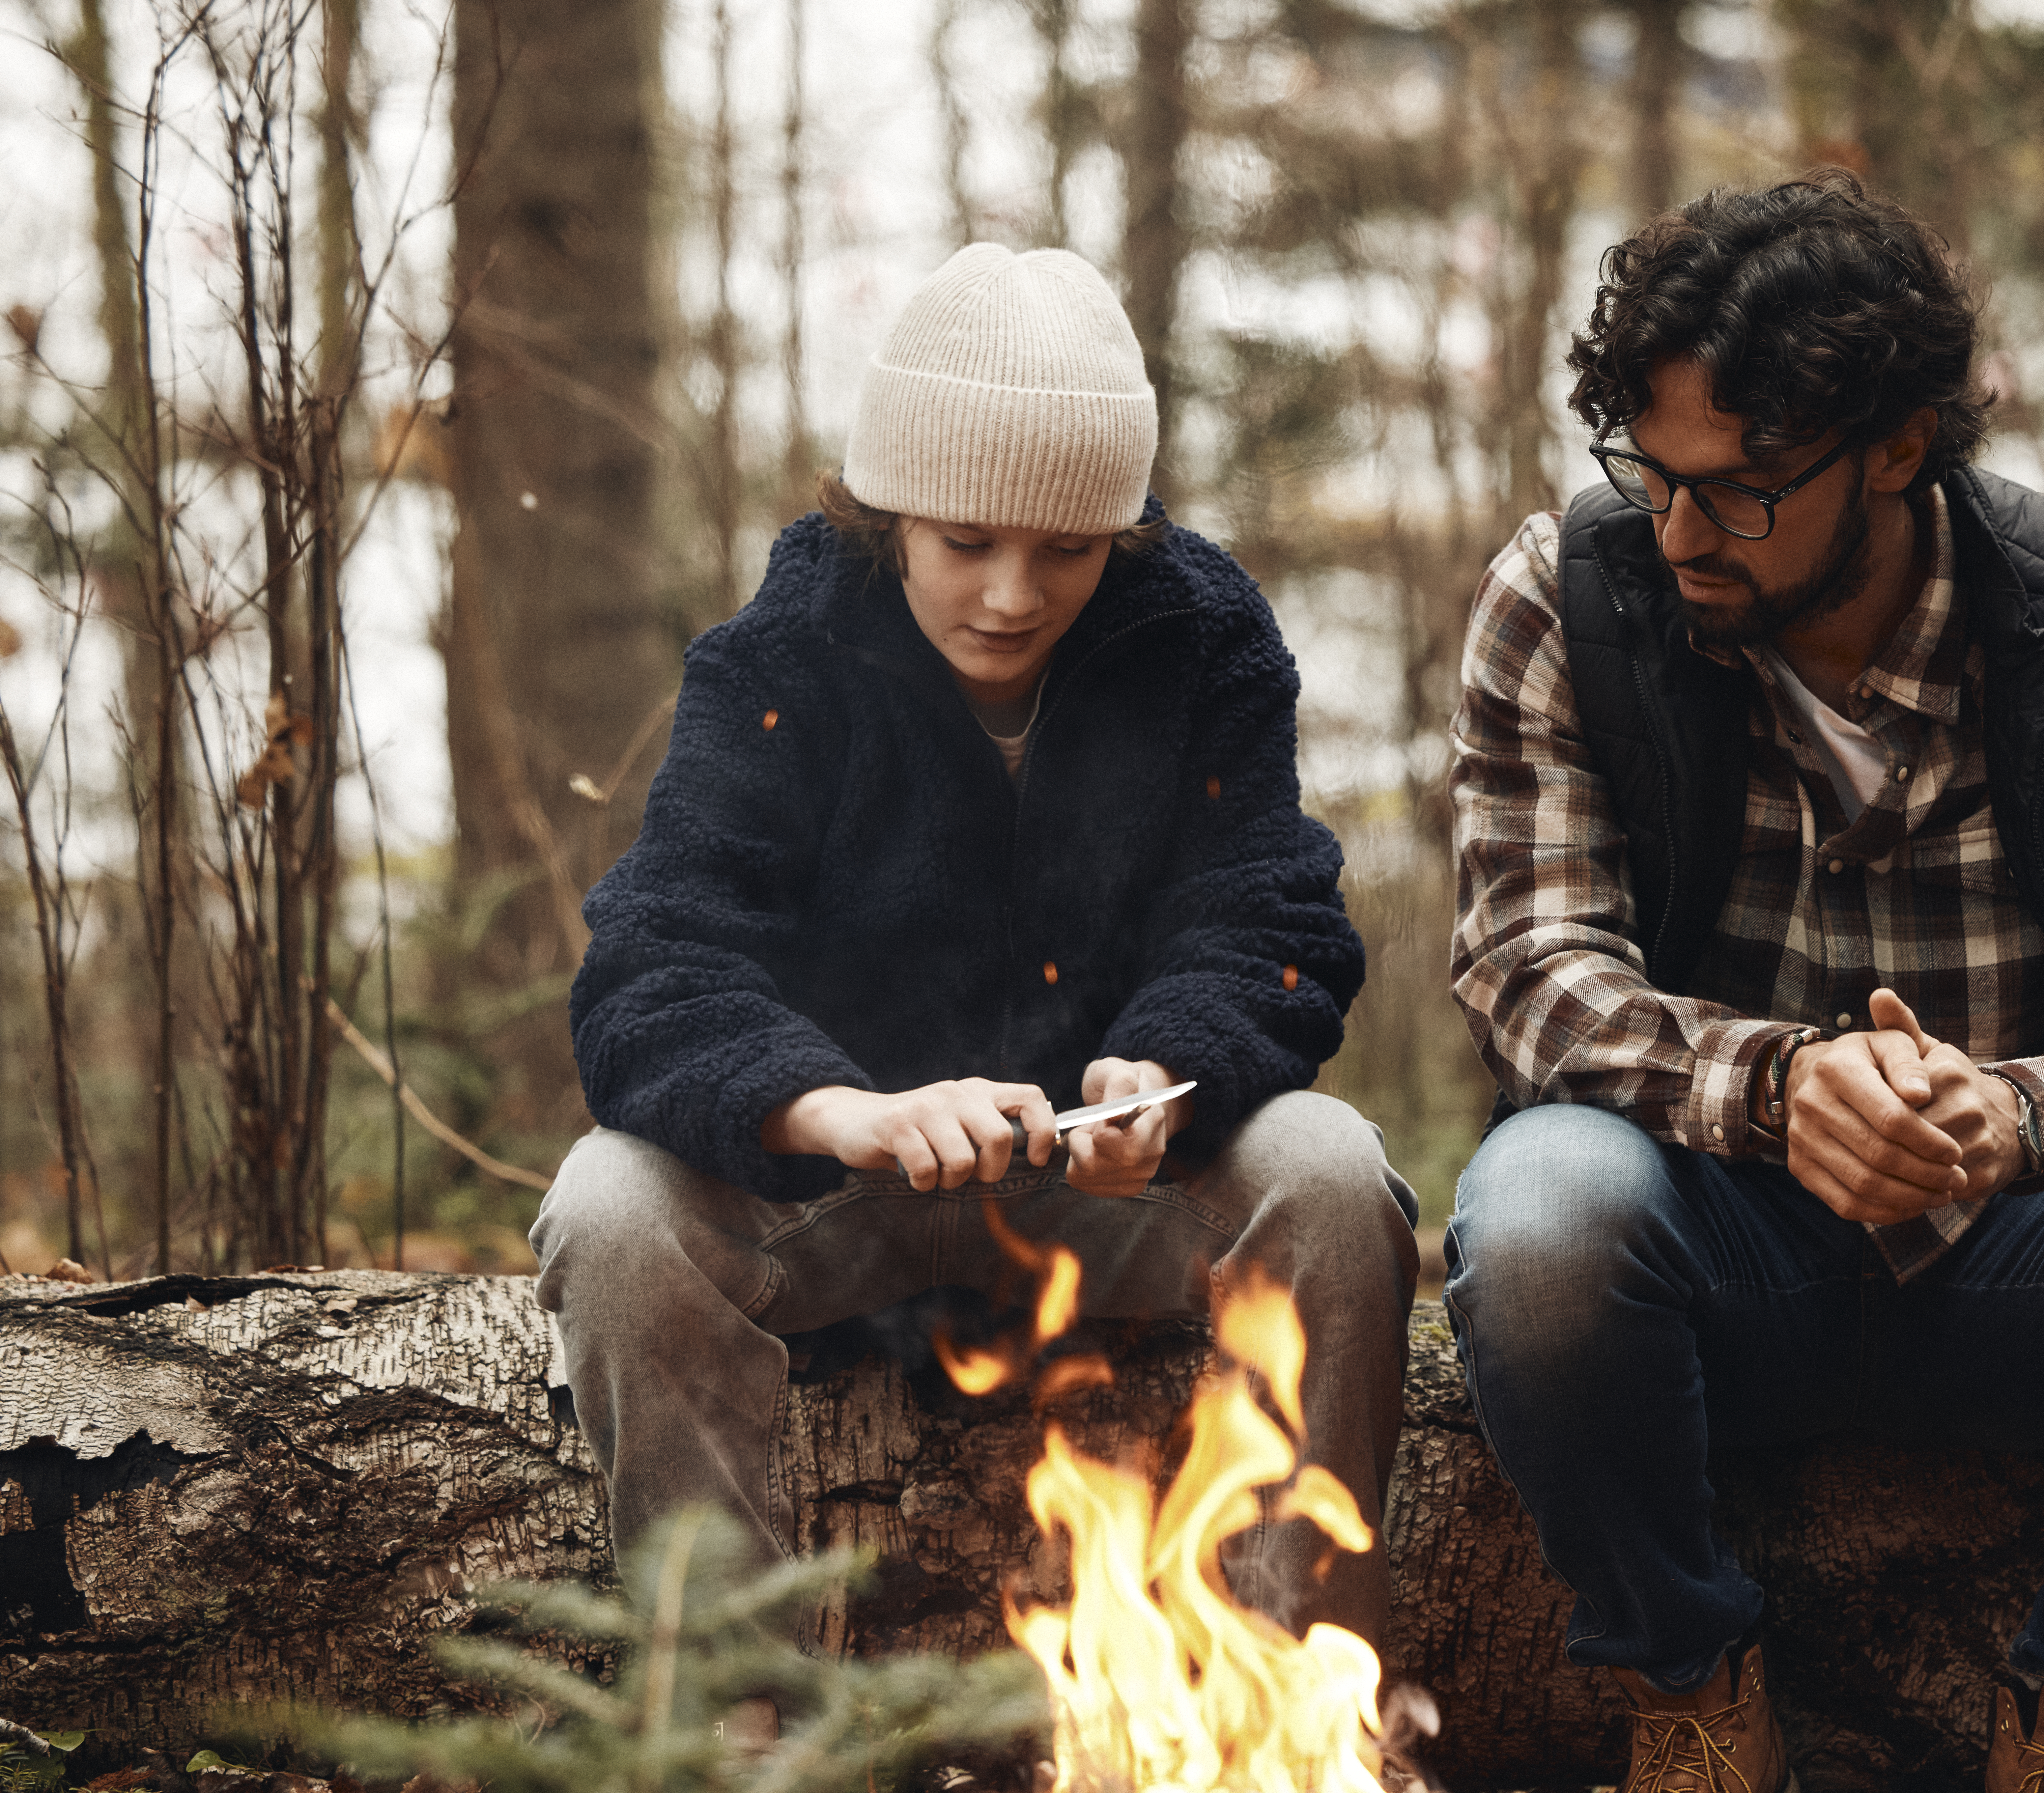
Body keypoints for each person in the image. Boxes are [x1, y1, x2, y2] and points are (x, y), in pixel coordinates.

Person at [1443, 170, 2044, 1793]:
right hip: (1721, 1250)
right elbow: (1528, 966)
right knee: (1537, 1205)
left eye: (1741, 491)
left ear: (1897, 443)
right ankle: (1695, 1708)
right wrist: (1784, 1090)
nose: (1677, 530)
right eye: (1649, 474)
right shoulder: (1573, 602)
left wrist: (2018, 1118)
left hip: (2030, 1253)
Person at [531, 244, 1420, 1688]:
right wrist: (834, 1111)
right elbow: (654, 967)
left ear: (1119, 534)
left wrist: (1164, 1072)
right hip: (834, 1196)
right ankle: (732, 1748)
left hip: (1100, 1190)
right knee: (610, 1204)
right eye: (966, 542)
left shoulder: (1204, 643)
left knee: (1326, 1169)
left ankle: (1285, 1709)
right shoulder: (776, 663)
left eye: (1066, 550)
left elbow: (1268, 921)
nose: (1012, 595)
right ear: (886, 516)